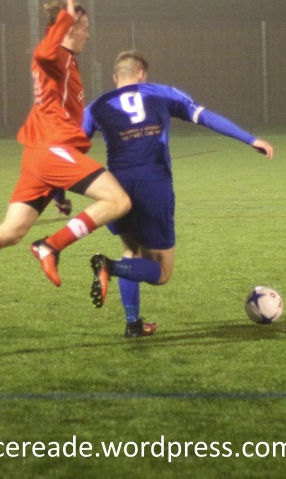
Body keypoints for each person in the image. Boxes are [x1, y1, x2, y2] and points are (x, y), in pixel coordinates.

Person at [0, 0, 131, 315]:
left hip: (43, 156)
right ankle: (50, 246)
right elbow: (43, 53)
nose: (88, 34)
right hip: (51, 150)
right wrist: (65, 18)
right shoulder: (54, 56)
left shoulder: (67, 62)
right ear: (68, 29)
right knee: (118, 201)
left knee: (12, 231)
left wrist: (59, 192)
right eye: (84, 27)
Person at [84, 50, 274, 337]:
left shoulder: (97, 107)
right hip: (153, 186)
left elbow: (70, 149)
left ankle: (133, 324)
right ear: (142, 74)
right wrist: (249, 139)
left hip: (115, 189)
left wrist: (60, 195)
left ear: (115, 77)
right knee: (161, 273)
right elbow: (205, 116)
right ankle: (109, 267)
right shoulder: (162, 93)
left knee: (131, 252)